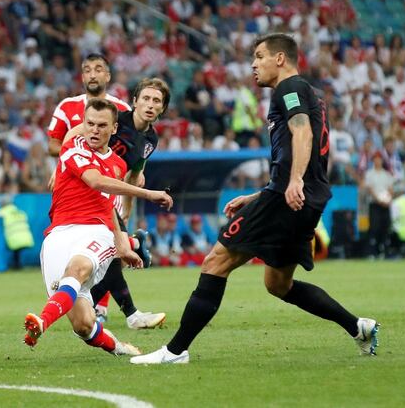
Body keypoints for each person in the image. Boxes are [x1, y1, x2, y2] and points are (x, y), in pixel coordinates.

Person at [131, 33, 379, 365]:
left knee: (215, 262)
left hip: (289, 196)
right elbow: (304, 152)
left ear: (280, 59)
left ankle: (174, 351)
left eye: (259, 56)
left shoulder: (289, 89)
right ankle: (358, 327)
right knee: (278, 284)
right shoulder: (311, 94)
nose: (253, 64)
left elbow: (302, 133)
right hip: (306, 198)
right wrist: (258, 194)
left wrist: (291, 183)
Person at [23, 98, 174, 356]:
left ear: (114, 129)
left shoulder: (118, 164)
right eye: (89, 124)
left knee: (77, 268)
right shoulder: (71, 148)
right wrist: (147, 194)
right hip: (58, 234)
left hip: (95, 231)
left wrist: (121, 242)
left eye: (101, 125)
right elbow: (96, 182)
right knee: (83, 325)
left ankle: (40, 322)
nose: (94, 130)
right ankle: (120, 347)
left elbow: (109, 206)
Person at [47, 54, 162, 329]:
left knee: (108, 252)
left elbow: (134, 174)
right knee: (108, 251)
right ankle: (130, 251)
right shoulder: (71, 107)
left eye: (99, 69)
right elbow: (66, 137)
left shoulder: (126, 117)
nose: (93, 74)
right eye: (87, 69)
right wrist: (62, 162)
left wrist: (127, 213)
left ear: (108, 75)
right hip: (79, 186)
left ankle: (119, 310)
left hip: (107, 193)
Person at [0, 196, 34, 270]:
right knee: (17, 252)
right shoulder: (20, 212)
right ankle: (17, 265)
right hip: (27, 238)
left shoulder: (0, 212)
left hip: (13, 238)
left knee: (14, 250)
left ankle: (15, 265)